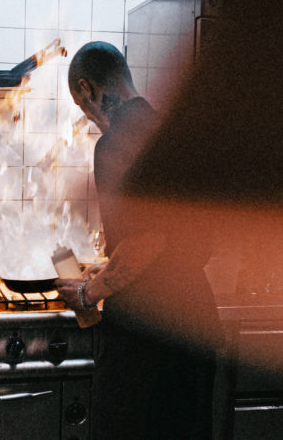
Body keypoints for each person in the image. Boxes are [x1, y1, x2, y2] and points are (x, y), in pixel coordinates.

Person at [55, 41, 220, 439]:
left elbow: (147, 239)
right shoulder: (178, 135)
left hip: (145, 333)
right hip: (196, 322)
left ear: (88, 88)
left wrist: (88, 293)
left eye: (82, 106)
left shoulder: (114, 144)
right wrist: (112, 264)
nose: (90, 119)